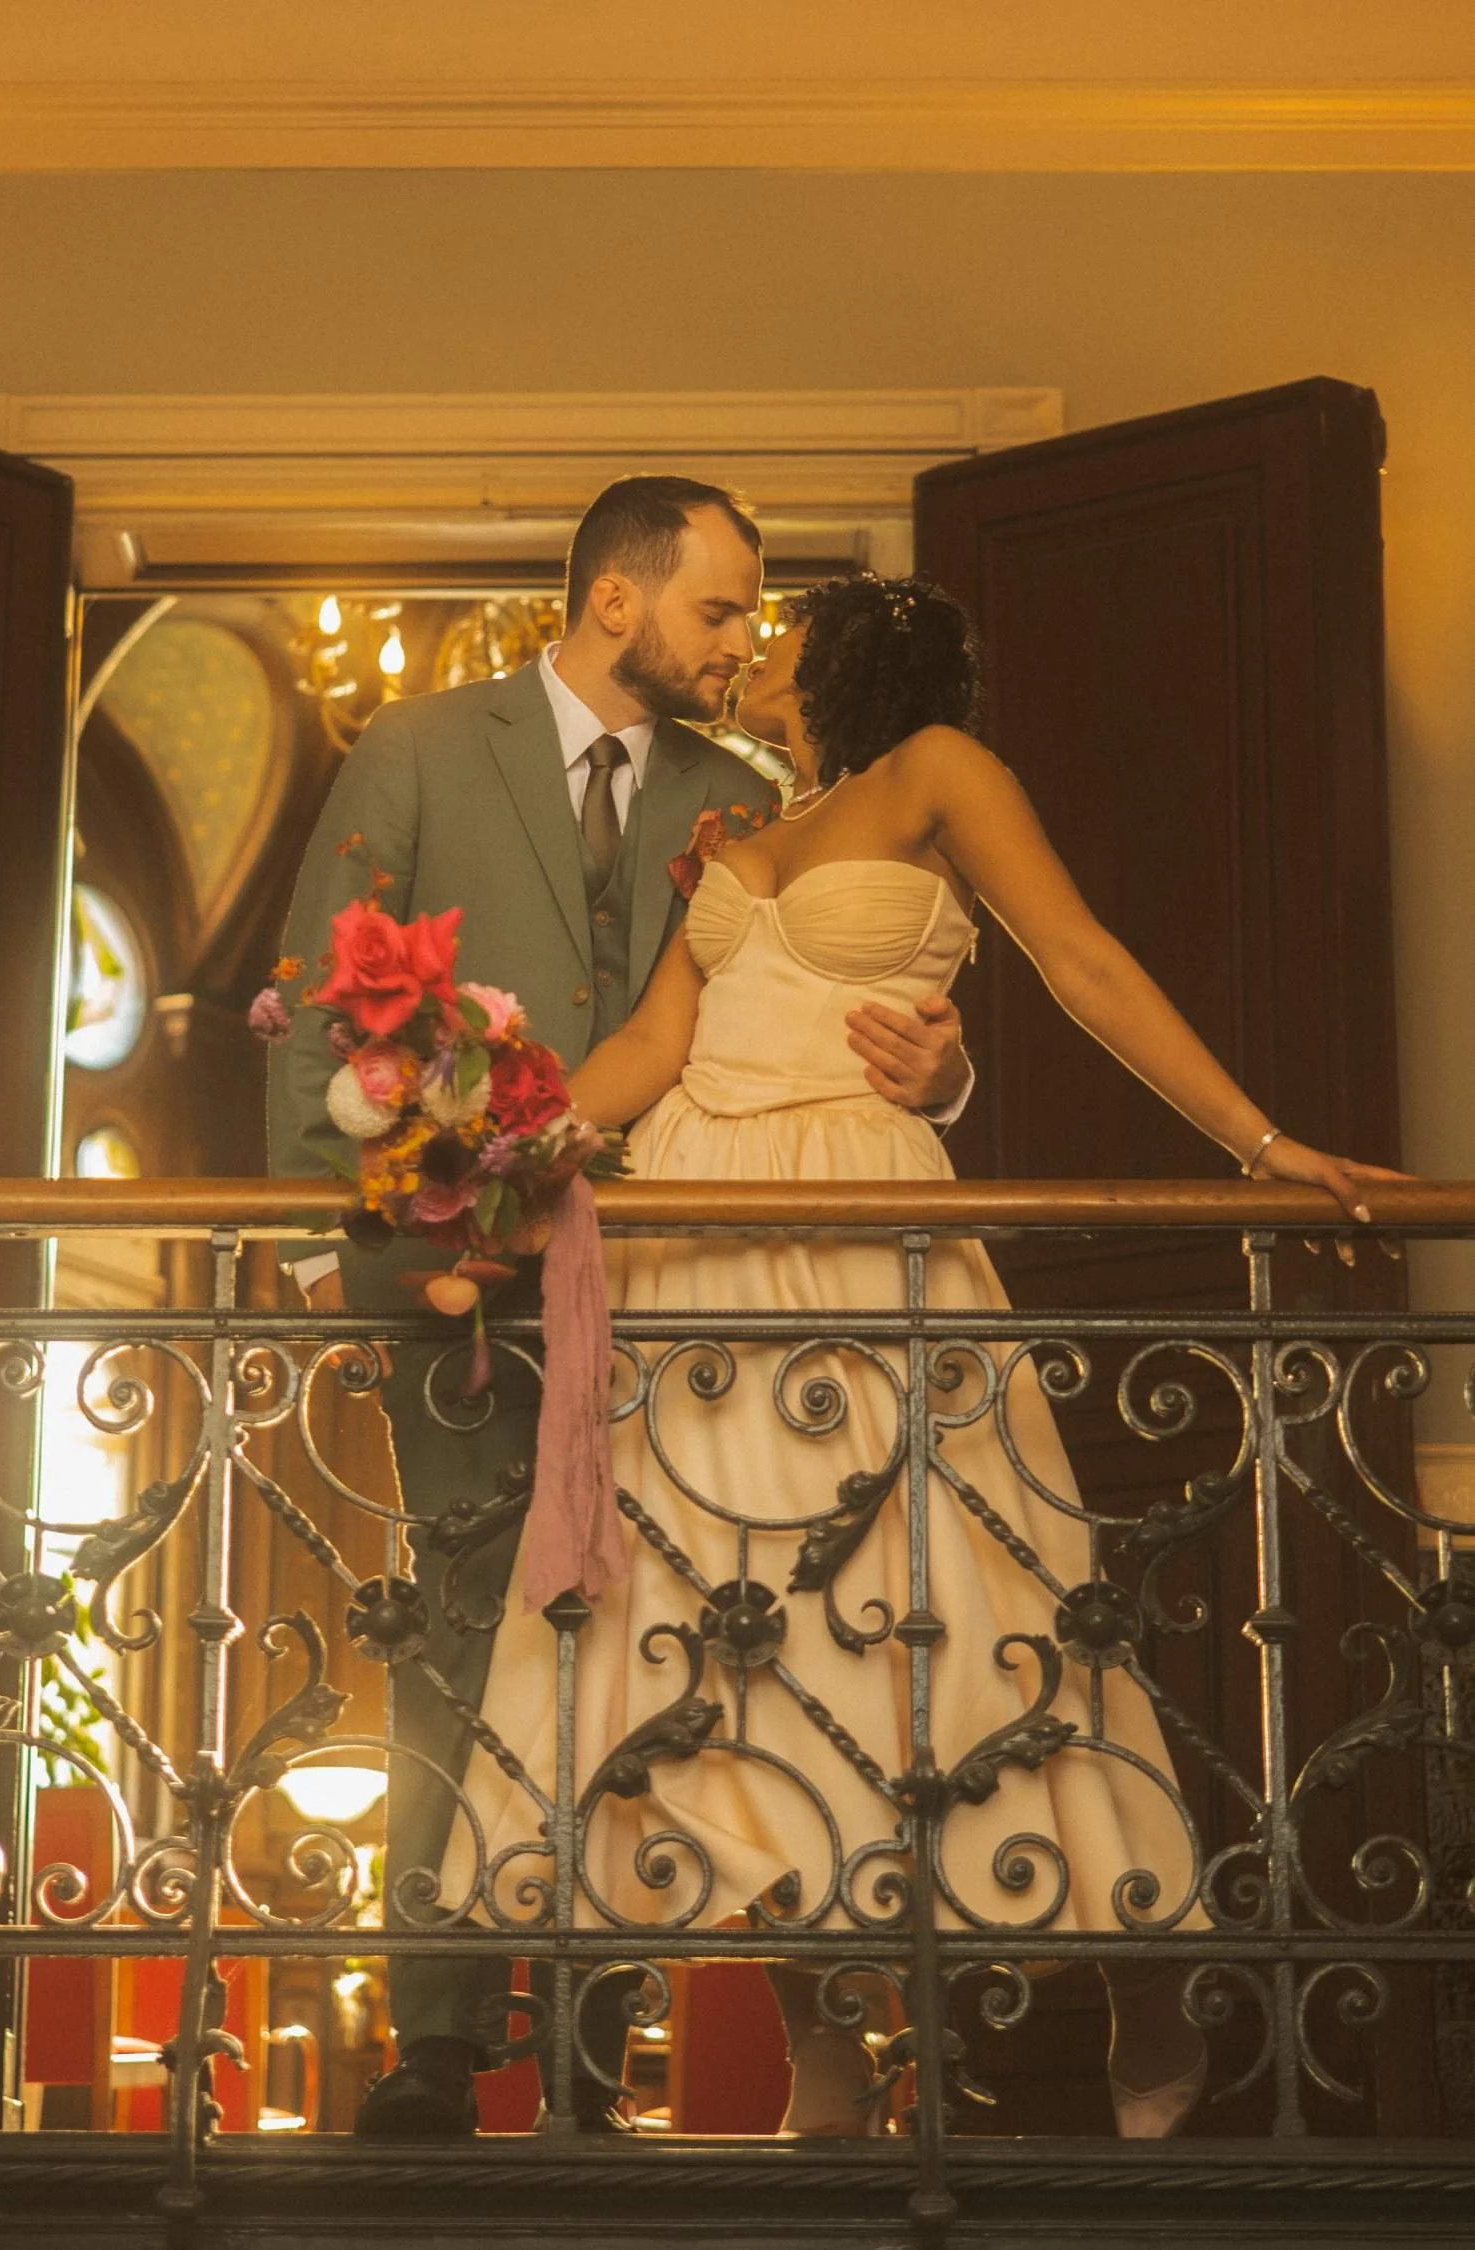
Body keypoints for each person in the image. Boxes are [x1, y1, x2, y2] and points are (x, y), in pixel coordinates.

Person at [444, 570, 1402, 2140]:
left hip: (860, 1219)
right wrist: (494, 1147)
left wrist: (1263, 1139)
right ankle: (828, 2034)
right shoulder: (735, 837)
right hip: (700, 1249)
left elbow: (1081, 961)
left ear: (854, 646)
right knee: (729, 1630)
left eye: (778, 622)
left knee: (966, 1597)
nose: (750, 647)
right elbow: (648, 1047)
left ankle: (1142, 1972)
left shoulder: (942, 771)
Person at [267, 487, 971, 2139]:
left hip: (675, 1299)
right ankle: (438, 2042)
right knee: (466, 1631)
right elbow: (322, 1008)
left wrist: (947, 1073)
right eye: (721, 613)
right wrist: (384, 1247)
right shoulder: (424, 749)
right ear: (611, 601)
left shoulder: (748, 802)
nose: (746, 647)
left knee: (661, 1646)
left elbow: (816, 1013)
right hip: (464, 1283)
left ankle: (590, 2034)